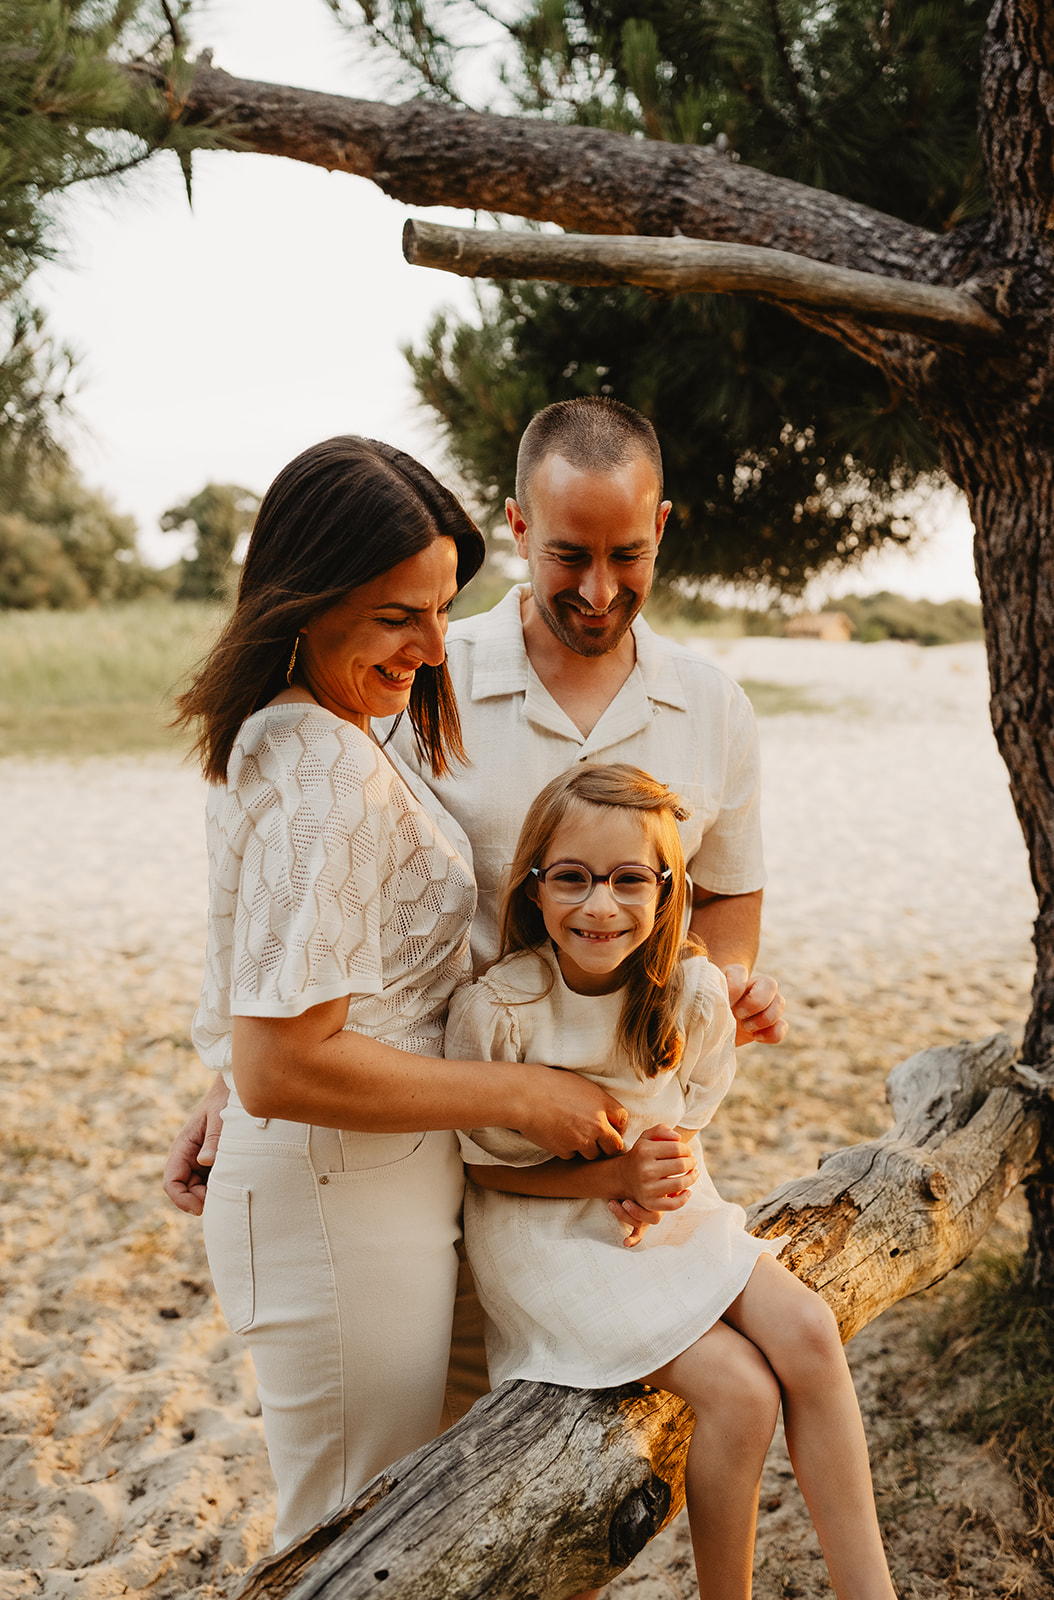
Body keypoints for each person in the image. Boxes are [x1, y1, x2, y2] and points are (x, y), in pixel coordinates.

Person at [172, 435, 628, 1551]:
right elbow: (282, 1061)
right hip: (339, 1199)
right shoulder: (321, 764)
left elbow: (283, 1000)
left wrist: (229, 1078)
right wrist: (522, 1096)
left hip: (367, 1182)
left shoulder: (313, 736)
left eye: (440, 610)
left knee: (391, 1534)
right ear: (304, 601)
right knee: (348, 1542)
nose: (432, 649)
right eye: (396, 617)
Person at [164, 398, 785, 1214]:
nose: (598, 591)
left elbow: (727, 892)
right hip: (441, 1140)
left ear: (660, 527)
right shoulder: (414, 676)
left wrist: (725, 981)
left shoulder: (715, 707)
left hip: (632, 1143)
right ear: (519, 528)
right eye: (568, 555)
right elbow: (305, 898)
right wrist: (230, 1077)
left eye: (628, 555)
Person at [448, 764, 896, 1600]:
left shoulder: (689, 991)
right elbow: (481, 1164)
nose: (600, 906)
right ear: (533, 886)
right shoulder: (502, 1009)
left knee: (806, 1331)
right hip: (541, 1232)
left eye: (629, 880)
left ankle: (869, 1589)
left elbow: (682, 1120)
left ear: (666, 890)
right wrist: (613, 1173)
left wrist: (657, 1168)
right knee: (740, 1389)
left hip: (663, 1213)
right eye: (572, 878)